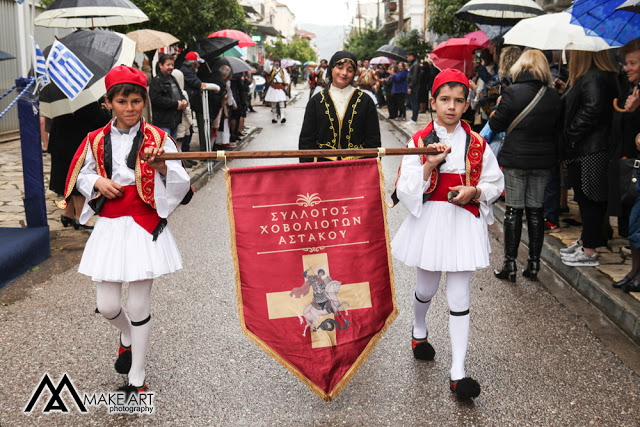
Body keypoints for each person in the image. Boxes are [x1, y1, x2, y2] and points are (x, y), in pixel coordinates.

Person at [58, 65, 191, 395]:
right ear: (108, 103)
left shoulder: (160, 139)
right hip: (111, 227)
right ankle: (127, 335)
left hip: (145, 225)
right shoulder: (94, 140)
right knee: (107, 305)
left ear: (144, 101)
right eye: (122, 101)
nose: (129, 108)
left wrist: (162, 166)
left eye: (135, 101)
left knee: (138, 305)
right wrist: (98, 181)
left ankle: (137, 376)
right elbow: (80, 175)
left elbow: (181, 184)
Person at [390, 68, 504, 400]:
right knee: (425, 288)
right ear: (432, 102)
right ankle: (419, 330)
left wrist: (476, 191)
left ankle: (458, 371)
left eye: (458, 100)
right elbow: (405, 186)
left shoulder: (479, 143)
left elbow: (495, 183)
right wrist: (428, 165)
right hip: (430, 221)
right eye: (444, 100)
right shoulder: (418, 140)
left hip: (462, 223)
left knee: (459, 296)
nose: (451, 107)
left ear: (467, 104)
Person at [489, 49, 562, 282]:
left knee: (513, 210)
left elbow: (496, 123)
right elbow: (558, 129)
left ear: (520, 68)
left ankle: (509, 264)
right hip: (542, 160)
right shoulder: (553, 96)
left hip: (516, 159)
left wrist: (498, 106)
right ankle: (533, 264)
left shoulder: (511, 92)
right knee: (536, 211)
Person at [557, 51, 618, 267]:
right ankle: (586, 242)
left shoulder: (594, 76)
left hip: (590, 148)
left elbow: (592, 110)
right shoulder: (591, 76)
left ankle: (589, 250)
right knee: (586, 199)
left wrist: (570, 135)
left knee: (590, 199)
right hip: (587, 148)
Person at [298, 50, 381, 162]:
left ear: (354, 73)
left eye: (350, 70)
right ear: (331, 69)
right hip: (323, 169)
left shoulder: (365, 101)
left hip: (356, 168)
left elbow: (373, 140)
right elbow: (306, 140)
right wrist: (307, 169)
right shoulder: (317, 101)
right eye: (340, 68)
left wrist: (370, 168)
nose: (344, 73)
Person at [48, 102, 111, 229]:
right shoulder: (84, 98)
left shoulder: (60, 97)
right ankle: (80, 218)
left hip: (61, 143)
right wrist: (106, 110)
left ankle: (68, 215)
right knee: (78, 178)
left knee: (69, 177)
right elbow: (100, 120)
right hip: (77, 144)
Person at [149, 53, 187, 140]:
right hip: (163, 121)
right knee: (166, 147)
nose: (171, 67)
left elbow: (179, 93)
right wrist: (175, 104)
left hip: (174, 120)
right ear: (160, 65)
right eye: (168, 65)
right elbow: (156, 99)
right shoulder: (156, 81)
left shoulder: (173, 78)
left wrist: (184, 101)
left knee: (173, 147)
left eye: (172, 65)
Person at [264, 56, 290, 124]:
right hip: (273, 87)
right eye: (275, 62)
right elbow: (266, 67)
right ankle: (274, 118)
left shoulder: (283, 70)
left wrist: (287, 84)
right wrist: (269, 58)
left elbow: (287, 78)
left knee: (281, 103)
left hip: (280, 87)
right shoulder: (271, 69)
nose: (276, 63)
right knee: (273, 104)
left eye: (278, 62)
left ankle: (282, 117)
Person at [406, 51, 421, 124]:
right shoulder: (414, 64)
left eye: (408, 56)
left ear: (411, 56)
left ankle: (414, 119)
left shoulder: (415, 65)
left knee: (414, 102)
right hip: (413, 86)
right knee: (413, 102)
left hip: (414, 87)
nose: (407, 58)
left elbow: (414, 77)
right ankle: (413, 118)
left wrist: (410, 87)